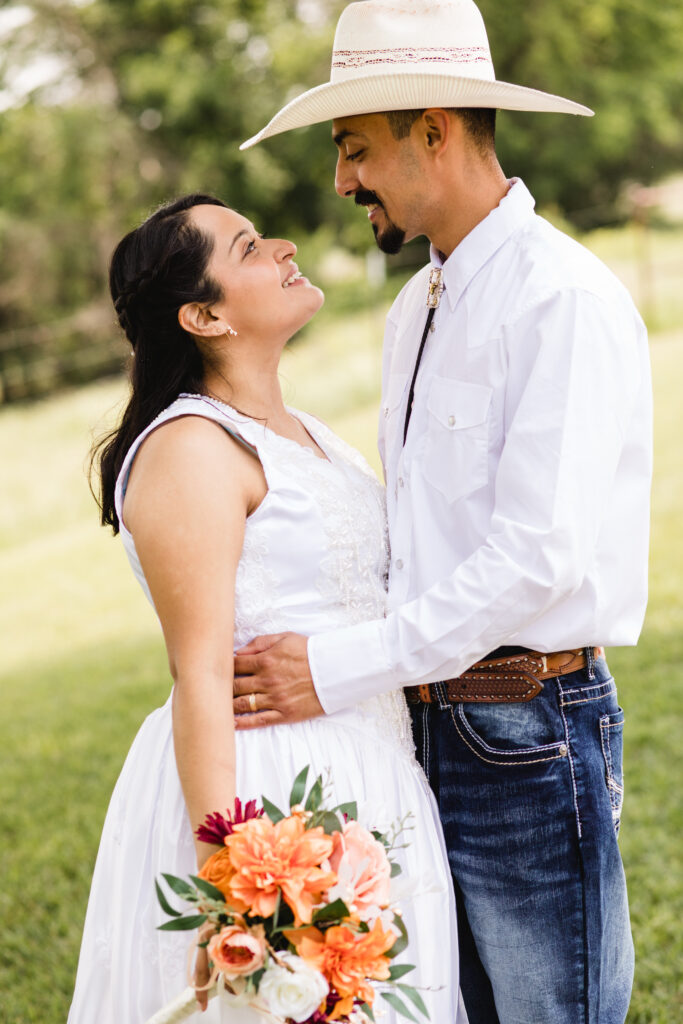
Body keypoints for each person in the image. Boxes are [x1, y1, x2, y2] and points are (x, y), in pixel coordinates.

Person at [231, 2, 653, 1022]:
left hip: (528, 730)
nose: (340, 181)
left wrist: (329, 668)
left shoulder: (561, 299)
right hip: (420, 737)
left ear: (433, 129)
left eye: (353, 148)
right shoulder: (410, 313)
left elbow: (531, 562)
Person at [67, 194, 467, 1024]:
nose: (283, 246)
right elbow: (201, 669)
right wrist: (234, 877)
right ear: (204, 314)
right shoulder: (190, 447)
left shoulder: (307, 432)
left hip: (372, 769)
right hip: (269, 795)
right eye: (249, 247)